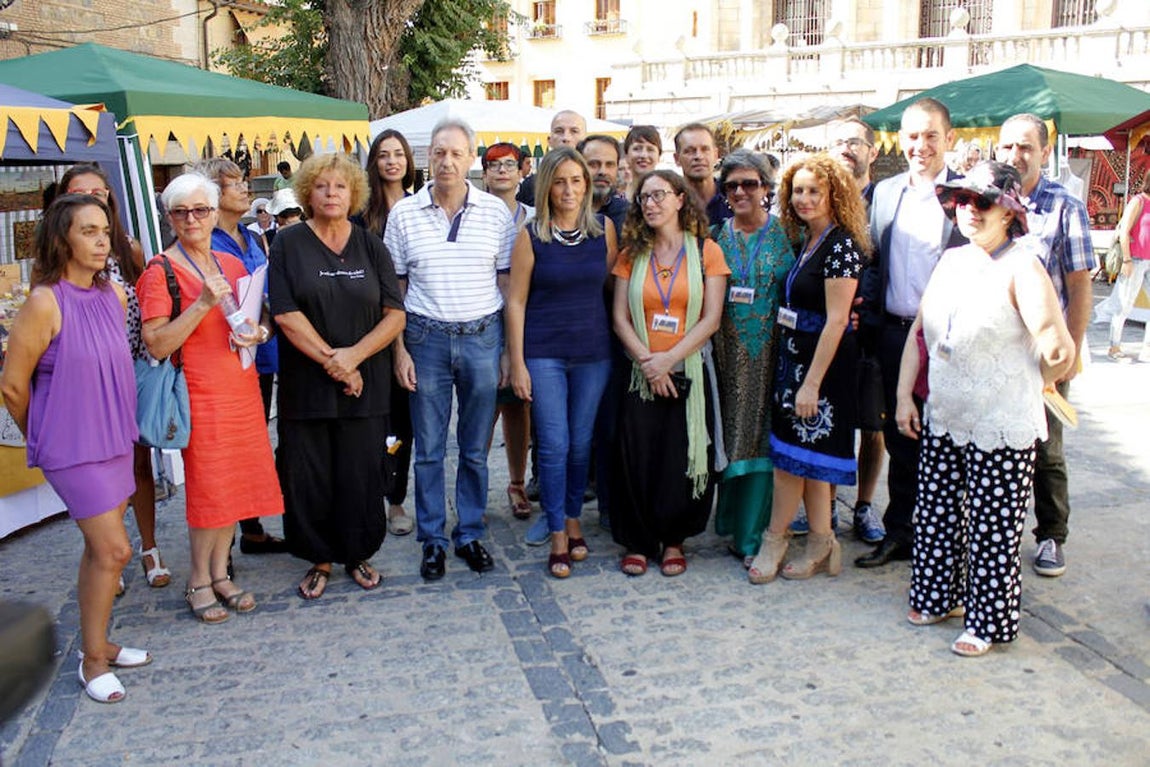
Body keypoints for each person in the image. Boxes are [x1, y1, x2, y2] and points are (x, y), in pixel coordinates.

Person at [896, 161, 1074, 657]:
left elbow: (1058, 348)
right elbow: (920, 334)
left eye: (984, 201)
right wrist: (904, 394)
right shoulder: (952, 260)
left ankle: (989, 622)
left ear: (1008, 212)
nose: (970, 210)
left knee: (993, 526)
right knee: (934, 512)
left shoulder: (1023, 264)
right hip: (946, 412)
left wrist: (1042, 376)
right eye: (962, 200)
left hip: (1001, 420)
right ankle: (937, 597)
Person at [1, 194, 147, 703]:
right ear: (62, 239)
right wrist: (47, 430)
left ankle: (100, 642)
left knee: (97, 552)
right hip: (73, 446)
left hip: (113, 438)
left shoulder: (114, 296)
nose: (102, 239)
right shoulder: (45, 301)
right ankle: (90, 661)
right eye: (88, 230)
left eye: (105, 229)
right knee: (115, 549)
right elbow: (14, 386)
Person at [137, 172, 283, 623]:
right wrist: (200, 304)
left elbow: (259, 321)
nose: (191, 219)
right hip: (199, 394)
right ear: (169, 218)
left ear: (215, 214)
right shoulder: (159, 270)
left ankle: (221, 573)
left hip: (239, 389)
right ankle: (198, 579)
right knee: (210, 489)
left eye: (200, 210)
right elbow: (157, 344)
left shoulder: (231, 263)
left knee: (235, 486)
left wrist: (259, 332)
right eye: (181, 212)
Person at [384, 118, 516, 581]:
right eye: (439, 152)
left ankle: (471, 532)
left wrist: (505, 351)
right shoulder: (404, 214)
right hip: (425, 339)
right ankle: (434, 539)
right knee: (429, 449)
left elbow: (506, 283)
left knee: (476, 447)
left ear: (470, 160)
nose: (446, 161)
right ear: (427, 158)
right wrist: (398, 351)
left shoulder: (496, 214)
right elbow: (394, 291)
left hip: (482, 337)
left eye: (456, 153)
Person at [270, 153, 406, 599]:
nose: (331, 194)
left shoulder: (371, 245)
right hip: (307, 385)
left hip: (366, 383)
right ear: (307, 192)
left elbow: (394, 315)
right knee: (309, 475)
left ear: (354, 194)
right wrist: (336, 362)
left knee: (361, 472)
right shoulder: (287, 244)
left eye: (340, 187)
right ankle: (319, 558)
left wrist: (354, 358)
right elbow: (286, 314)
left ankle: (357, 553)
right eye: (323, 186)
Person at [747, 154, 869, 584]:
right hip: (795, 360)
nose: (804, 198)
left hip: (822, 368)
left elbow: (837, 320)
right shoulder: (806, 240)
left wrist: (812, 384)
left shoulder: (841, 246)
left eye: (814, 190)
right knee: (807, 462)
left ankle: (775, 539)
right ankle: (822, 540)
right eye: (797, 190)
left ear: (835, 193)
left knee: (789, 465)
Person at [855, 98, 966, 570]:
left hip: (947, 341)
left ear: (950, 139)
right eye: (912, 136)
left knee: (947, 443)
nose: (920, 146)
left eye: (931, 136)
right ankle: (901, 531)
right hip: (895, 336)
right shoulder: (885, 193)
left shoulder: (967, 195)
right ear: (899, 140)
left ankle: (943, 541)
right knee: (901, 439)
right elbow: (873, 258)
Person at [56, 164, 169, 592]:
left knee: (138, 463)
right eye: (80, 192)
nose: (92, 197)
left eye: (99, 191)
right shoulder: (57, 263)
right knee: (100, 472)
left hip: (131, 369)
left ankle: (149, 546)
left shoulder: (128, 249)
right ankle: (107, 552)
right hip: (87, 380)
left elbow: (144, 305)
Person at [611, 170, 728, 577]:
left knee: (680, 458)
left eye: (659, 195)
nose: (651, 203)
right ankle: (639, 541)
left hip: (688, 370)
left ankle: (674, 539)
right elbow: (620, 319)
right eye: (644, 197)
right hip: (639, 373)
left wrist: (669, 360)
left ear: (681, 199)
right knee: (638, 457)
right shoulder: (631, 253)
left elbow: (711, 318)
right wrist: (649, 362)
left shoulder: (706, 252)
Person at [506, 147, 617, 578]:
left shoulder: (604, 231)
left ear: (587, 185)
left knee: (581, 444)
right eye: (560, 181)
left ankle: (573, 518)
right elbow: (515, 302)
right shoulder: (530, 235)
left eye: (577, 180)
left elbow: (610, 286)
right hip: (544, 352)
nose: (569, 189)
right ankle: (556, 531)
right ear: (546, 185)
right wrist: (516, 363)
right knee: (553, 444)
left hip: (593, 353)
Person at [996, 112, 1096, 577]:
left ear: (1043, 150)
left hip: (1042, 350)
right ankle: (997, 533)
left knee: (1047, 448)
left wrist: (1070, 352)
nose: (1015, 157)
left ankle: (1052, 535)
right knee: (997, 444)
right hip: (995, 345)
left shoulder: (1064, 206)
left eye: (1025, 147)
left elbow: (1079, 286)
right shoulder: (988, 199)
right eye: (1008, 147)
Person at [193, 158, 286, 557]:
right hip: (223, 359)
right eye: (235, 185)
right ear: (214, 194)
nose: (246, 190)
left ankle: (250, 529)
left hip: (259, 351)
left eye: (244, 182)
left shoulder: (252, 235)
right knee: (225, 452)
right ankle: (220, 551)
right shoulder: (207, 241)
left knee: (254, 443)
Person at [708, 150, 794, 567]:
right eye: (732, 186)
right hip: (726, 354)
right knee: (731, 435)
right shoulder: (713, 236)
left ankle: (754, 534)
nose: (741, 192)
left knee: (763, 437)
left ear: (766, 188)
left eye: (750, 184)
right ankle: (731, 523)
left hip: (774, 354)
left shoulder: (788, 235)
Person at [819, 116, 886, 544]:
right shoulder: (817, 198)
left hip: (870, 328)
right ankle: (822, 504)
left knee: (872, 424)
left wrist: (865, 303)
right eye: (839, 142)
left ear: (872, 151)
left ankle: (863, 505)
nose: (847, 149)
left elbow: (890, 260)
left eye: (855, 142)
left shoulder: (886, 198)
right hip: (826, 327)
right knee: (828, 417)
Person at [354, 128, 418, 537]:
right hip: (369, 328)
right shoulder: (361, 215)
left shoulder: (420, 207)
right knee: (369, 418)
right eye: (384, 154)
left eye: (399, 154)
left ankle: (395, 498)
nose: (392, 161)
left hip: (412, 327)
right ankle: (365, 493)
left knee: (401, 420)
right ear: (374, 162)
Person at [482, 143, 534, 521]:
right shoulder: (473, 213)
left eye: (509, 165)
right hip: (483, 323)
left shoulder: (535, 217)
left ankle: (517, 482)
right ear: (484, 173)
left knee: (519, 407)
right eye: (494, 165)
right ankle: (474, 485)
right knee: (482, 408)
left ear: (522, 171)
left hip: (528, 322)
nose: (502, 171)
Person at [1107, 173, 1150, 359]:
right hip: (1135, 259)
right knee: (1124, 304)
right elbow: (1124, 231)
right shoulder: (1138, 201)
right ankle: (1114, 347)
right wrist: (1127, 259)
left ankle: (1147, 349)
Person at [517, 109, 587, 205]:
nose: (566, 138)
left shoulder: (596, 181)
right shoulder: (532, 185)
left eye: (574, 131)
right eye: (559, 131)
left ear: (585, 140)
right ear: (549, 140)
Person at [673, 122, 731, 226]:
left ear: (715, 155)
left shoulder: (733, 197)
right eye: (689, 151)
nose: (698, 156)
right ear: (677, 159)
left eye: (705, 149)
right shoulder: (670, 203)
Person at [578, 134, 629, 233]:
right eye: (593, 164)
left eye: (610, 165)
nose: (602, 171)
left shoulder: (628, 215)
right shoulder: (562, 212)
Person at [623, 126, 661, 195]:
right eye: (637, 149)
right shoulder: (615, 199)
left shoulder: (669, 197)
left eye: (650, 149)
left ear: (659, 156)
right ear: (626, 156)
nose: (644, 155)